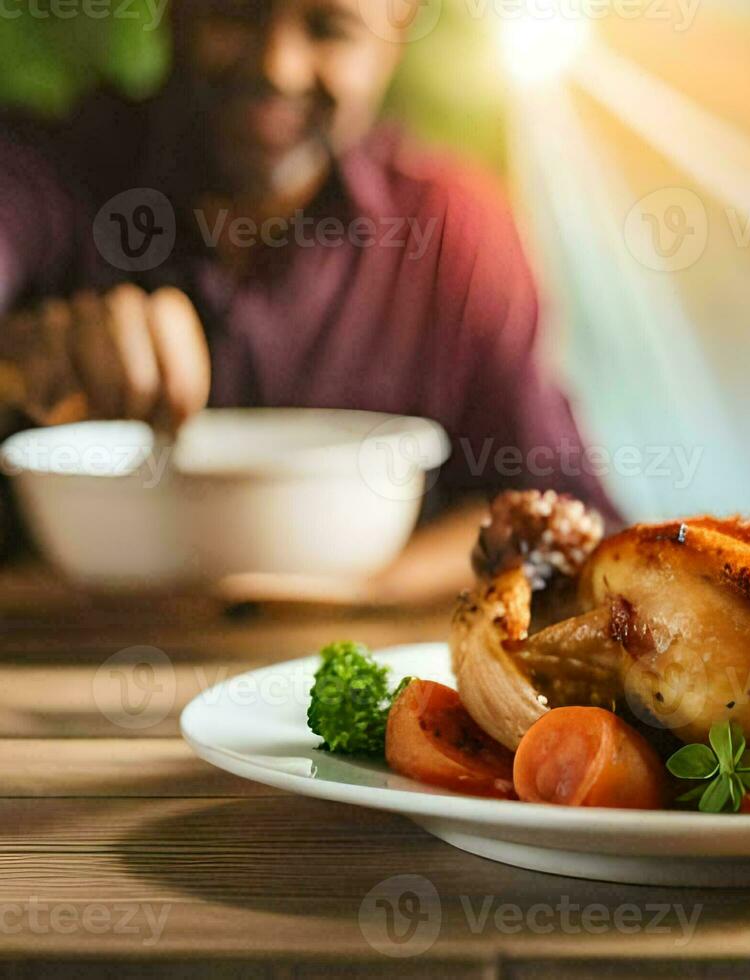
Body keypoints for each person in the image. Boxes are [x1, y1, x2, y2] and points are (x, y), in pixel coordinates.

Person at [0, 0, 617, 603]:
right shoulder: (43, 176)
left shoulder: (456, 236)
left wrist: (361, 594)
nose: (278, 66)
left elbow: (564, 518)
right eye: (237, 11)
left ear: (396, 28)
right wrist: (18, 363)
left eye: (330, 27)